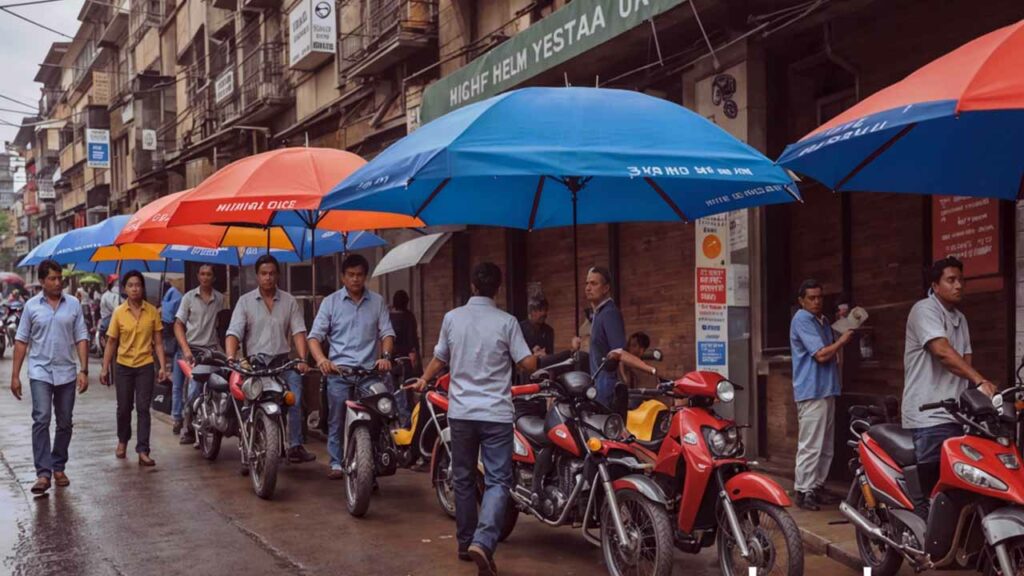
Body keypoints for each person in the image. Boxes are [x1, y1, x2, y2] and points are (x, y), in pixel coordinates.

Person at [408, 262, 539, 576]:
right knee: (498, 480)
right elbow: (528, 363)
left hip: (462, 413)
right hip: (496, 414)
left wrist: (423, 380)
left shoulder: (452, 319)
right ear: (498, 288)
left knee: (464, 477)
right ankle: (484, 540)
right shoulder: (507, 322)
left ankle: (466, 543)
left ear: (472, 286)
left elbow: (440, 359)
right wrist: (536, 355)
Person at [903, 257, 995, 519]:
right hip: (928, 412)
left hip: (955, 414)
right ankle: (923, 535)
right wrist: (980, 380)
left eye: (960, 280)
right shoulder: (924, 310)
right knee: (933, 487)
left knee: (958, 483)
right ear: (935, 285)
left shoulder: (960, 318)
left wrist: (978, 397)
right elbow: (942, 352)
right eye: (951, 280)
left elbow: (965, 361)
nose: (958, 286)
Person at [309, 254, 396, 479]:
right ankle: (336, 462)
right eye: (351, 275)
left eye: (359, 275)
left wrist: (385, 356)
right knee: (337, 417)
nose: (355, 279)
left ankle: (375, 458)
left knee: (380, 413)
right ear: (343, 277)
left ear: (365, 277)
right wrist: (322, 360)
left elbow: (387, 333)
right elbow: (314, 338)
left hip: (369, 373)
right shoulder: (330, 303)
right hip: (339, 372)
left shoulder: (377, 301)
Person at [9, 259, 90, 494]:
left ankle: (58, 465)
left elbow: (81, 337)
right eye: (52, 279)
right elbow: (21, 341)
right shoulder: (32, 307)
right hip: (40, 372)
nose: (57, 283)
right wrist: (15, 376)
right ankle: (43, 474)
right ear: (42, 281)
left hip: (66, 372)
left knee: (64, 422)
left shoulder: (73, 304)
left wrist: (84, 369)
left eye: (60, 278)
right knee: (42, 418)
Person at [226, 254, 315, 465]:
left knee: (295, 397)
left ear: (278, 275)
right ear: (257, 276)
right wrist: (231, 357)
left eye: (272, 273)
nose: (268, 277)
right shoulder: (244, 301)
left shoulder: (289, 301)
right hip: (254, 364)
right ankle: (247, 445)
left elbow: (299, 332)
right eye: (264, 273)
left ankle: (294, 445)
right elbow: (234, 332)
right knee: (246, 403)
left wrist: (302, 359)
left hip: (283, 362)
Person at [789, 279, 855, 511]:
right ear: (801, 300)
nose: (817, 302)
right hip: (811, 389)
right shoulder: (802, 320)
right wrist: (842, 341)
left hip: (826, 388)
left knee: (825, 445)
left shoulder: (823, 320)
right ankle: (804, 490)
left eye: (819, 297)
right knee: (811, 444)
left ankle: (816, 486)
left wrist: (842, 326)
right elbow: (821, 355)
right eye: (812, 298)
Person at [101, 270, 168, 467]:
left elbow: (158, 342)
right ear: (125, 289)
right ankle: (123, 440)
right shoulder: (119, 312)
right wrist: (105, 368)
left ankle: (143, 450)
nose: (134, 288)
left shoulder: (152, 311)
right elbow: (111, 342)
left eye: (137, 285)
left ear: (142, 287)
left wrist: (162, 366)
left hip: (145, 365)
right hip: (123, 366)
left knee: (143, 409)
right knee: (123, 408)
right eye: (130, 285)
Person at [174, 264, 226, 445]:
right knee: (194, 390)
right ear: (197, 276)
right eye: (202, 274)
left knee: (224, 385)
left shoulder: (220, 299)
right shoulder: (188, 297)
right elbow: (178, 324)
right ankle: (187, 427)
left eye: (209, 274)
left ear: (214, 277)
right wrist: (186, 350)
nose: (205, 277)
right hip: (192, 349)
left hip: (213, 349)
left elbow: (225, 324)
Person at [571, 266, 625, 408]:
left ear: (606, 288)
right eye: (587, 283)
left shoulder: (609, 313)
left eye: (594, 284)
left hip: (606, 388)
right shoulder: (598, 313)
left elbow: (618, 352)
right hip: (596, 386)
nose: (588, 288)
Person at [161, 281, 186, 435]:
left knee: (178, 385)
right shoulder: (181, 298)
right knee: (185, 386)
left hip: (179, 348)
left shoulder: (169, 300)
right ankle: (180, 416)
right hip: (183, 348)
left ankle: (177, 417)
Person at [390, 289, 421, 376]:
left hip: (391, 353)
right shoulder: (409, 316)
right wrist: (413, 351)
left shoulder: (389, 317)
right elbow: (412, 336)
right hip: (405, 354)